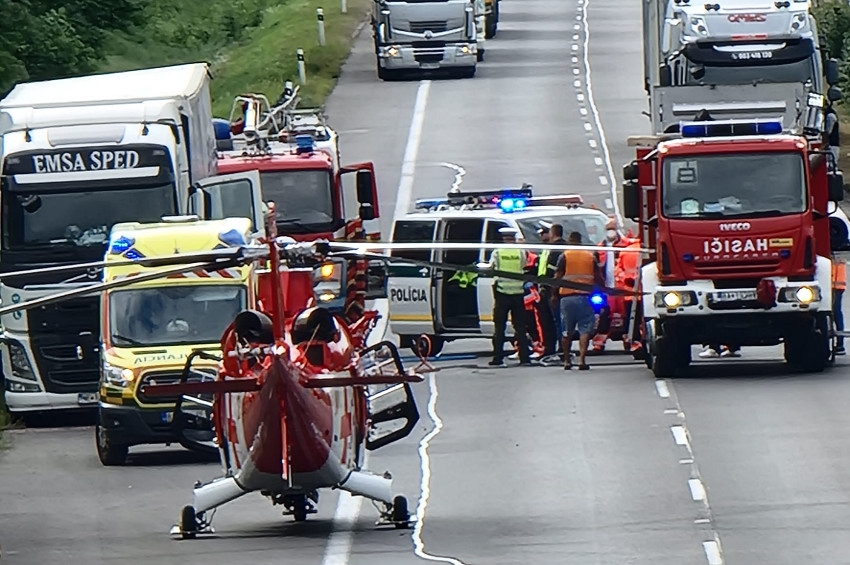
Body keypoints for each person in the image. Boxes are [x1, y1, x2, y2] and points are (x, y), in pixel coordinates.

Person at [553, 231, 600, 370]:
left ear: (569, 241)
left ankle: (567, 361)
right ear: (580, 241)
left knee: (566, 330)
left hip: (567, 298)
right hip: (585, 297)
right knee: (585, 329)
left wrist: (554, 295)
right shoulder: (590, 256)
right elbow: (598, 277)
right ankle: (582, 360)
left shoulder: (565, 255)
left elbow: (557, 277)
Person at [487, 227, 532, 367]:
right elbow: (524, 265)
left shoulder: (498, 252)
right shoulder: (520, 252)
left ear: (503, 238)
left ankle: (498, 358)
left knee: (499, 328)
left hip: (502, 293)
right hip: (518, 293)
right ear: (513, 238)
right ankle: (524, 358)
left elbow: (491, 267)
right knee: (520, 328)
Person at [592, 218, 636, 352]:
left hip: (623, 288)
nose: (611, 232)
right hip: (607, 288)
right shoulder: (600, 248)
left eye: (613, 228)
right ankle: (599, 343)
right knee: (605, 315)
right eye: (608, 229)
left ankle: (629, 340)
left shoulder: (626, 246)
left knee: (627, 315)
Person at [613, 237, 644, 353]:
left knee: (630, 319)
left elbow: (618, 271)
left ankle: (631, 340)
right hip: (643, 293)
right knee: (642, 319)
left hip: (628, 293)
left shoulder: (625, 251)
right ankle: (640, 341)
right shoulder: (645, 250)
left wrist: (626, 280)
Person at [833, 252, 846, 355]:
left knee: (836, 312)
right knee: (836, 312)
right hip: (836, 284)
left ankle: (840, 343)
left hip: (835, 284)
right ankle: (840, 343)